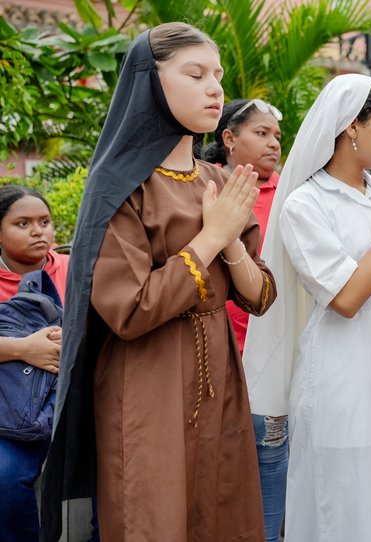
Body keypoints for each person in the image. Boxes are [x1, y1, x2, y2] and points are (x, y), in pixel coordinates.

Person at [40, 23, 276, 541]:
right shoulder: (120, 186)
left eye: (217, 74)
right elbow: (130, 310)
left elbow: (260, 296)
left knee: (223, 511)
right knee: (153, 513)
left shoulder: (218, 180)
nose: (215, 87)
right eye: (195, 74)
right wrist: (212, 237)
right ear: (151, 83)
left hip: (219, 377)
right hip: (148, 380)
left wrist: (231, 240)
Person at [242, 74, 371, 541]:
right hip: (345, 370)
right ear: (353, 126)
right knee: (352, 503)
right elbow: (347, 298)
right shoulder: (305, 204)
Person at [202, 97, 287, 542]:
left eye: (277, 134)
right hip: (220, 352)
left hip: (276, 352)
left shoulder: (292, 193)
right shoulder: (208, 189)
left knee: (271, 473)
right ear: (229, 139)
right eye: (261, 133)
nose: (273, 142)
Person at [0, 186, 68, 542]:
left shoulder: (76, 267)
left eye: (44, 222)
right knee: (6, 477)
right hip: (13, 411)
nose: (38, 230)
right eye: (22, 223)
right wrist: (22, 348)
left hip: (78, 400)